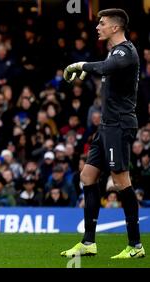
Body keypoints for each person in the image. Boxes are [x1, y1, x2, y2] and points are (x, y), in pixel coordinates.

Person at [61, 9, 145, 259]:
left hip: (119, 125)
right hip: (107, 126)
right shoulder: (113, 52)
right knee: (87, 176)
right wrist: (91, 70)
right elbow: (107, 67)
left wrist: (80, 65)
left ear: (116, 27)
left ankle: (135, 245)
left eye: (102, 23)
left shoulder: (125, 51)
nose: (98, 26)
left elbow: (109, 66)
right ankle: (88, 242)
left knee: (121, 182)